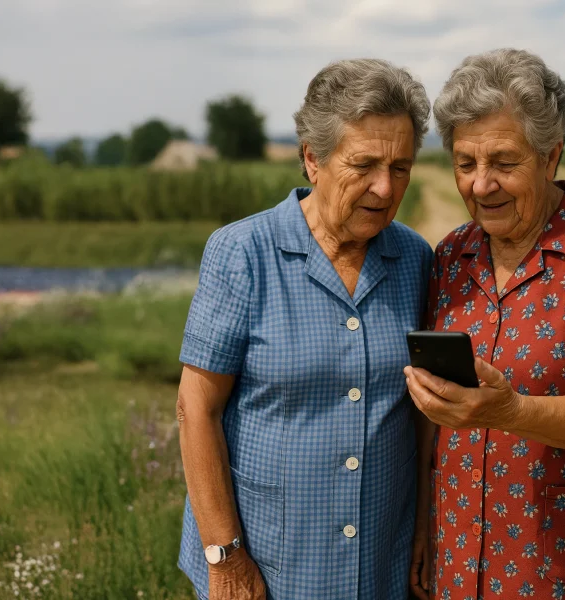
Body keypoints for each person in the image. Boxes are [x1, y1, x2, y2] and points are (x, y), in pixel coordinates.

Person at [404, 48, 565, 600]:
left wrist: (510, 412)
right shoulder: (452, 255)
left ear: (551, 156)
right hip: (460, 570)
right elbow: (434, 415)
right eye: (465, 163)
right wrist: (424, 527)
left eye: (504, 162)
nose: (481, 185)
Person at [176, 58, 435, 600]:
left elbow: (422, 414)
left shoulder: (415, 259)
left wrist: (424, 527)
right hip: (268, 568)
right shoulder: (242, 253)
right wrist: (226, 558)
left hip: (380, 567)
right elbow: (196, 408)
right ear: (313, 158)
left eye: (401, 167)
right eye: (364, 165)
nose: (385, 188)